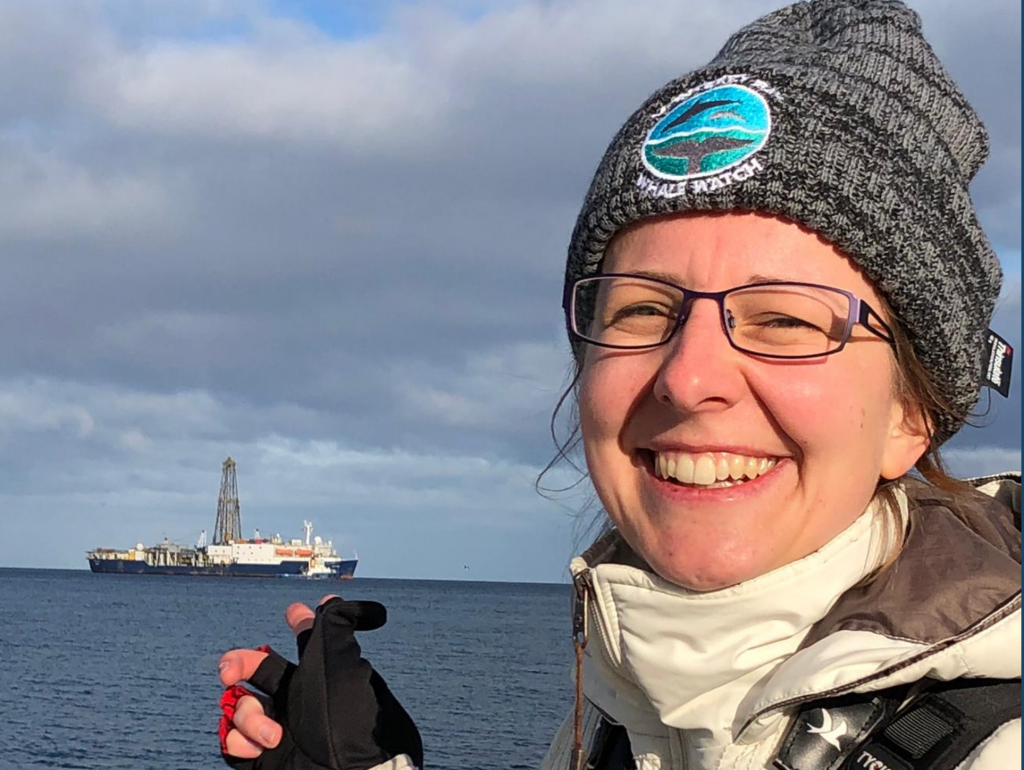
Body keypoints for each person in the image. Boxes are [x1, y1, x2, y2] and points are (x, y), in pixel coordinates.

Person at [216, 1, 1021, 768]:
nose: (690, 376)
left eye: (785, 320)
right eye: (643, 309)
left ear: (911, 416)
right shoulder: (618, 708)